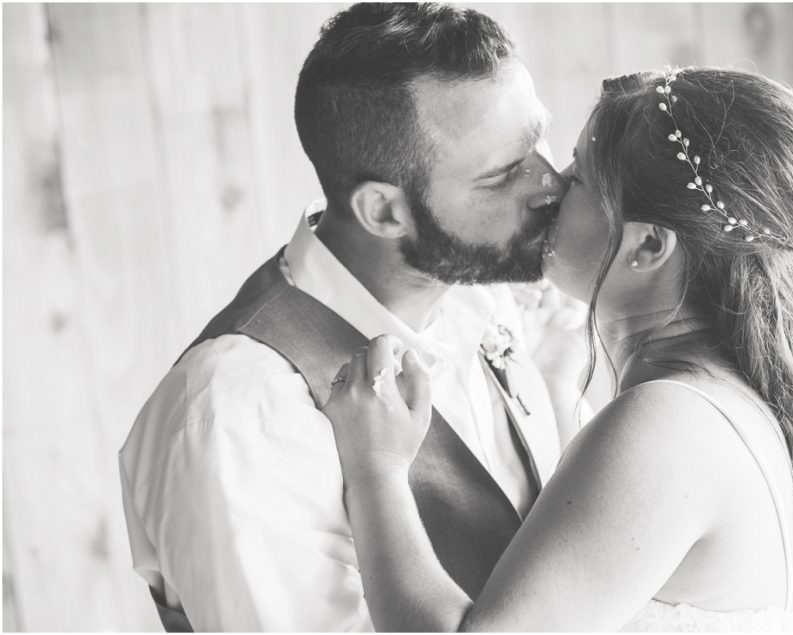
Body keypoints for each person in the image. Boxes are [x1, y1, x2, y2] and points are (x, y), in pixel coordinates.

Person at [322, 68, 793, 632]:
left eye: (577, 176)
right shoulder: (712, 401)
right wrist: (553, 389)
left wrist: (377, 471)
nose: (549, 185)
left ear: (647, 244)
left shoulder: (669, 422)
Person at [118, 3, 577, 631]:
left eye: (538, 137)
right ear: (385, 214)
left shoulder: (483, 297)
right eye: (502, 174)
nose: (552, 184)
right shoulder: (237, 415)